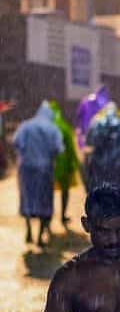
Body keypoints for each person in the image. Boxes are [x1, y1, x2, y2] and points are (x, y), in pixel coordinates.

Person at [13, 100, 65, 246]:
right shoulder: (53, 128)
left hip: (27, 170)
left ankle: (29, 230)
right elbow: (59, 149)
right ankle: (40, 236)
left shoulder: (26, 126)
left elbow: (16, 142)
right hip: (45, 170)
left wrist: (26, 153)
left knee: (27, 199)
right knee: (44, 202)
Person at [83, 103, 120, 194]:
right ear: (116, 112)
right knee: (117, 194)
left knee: (99, 194)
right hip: (118, 165)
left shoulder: (96, 123)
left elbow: (88, 142)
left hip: (98, 165)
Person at [49, 100, 81, 227]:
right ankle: (62, 215)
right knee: (64, 192)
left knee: (48, 193)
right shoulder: (65, 127)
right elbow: (72, 149)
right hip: (65, 167)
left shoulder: (47, 127)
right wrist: (76, 164)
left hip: (49, 167)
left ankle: (48, 217)